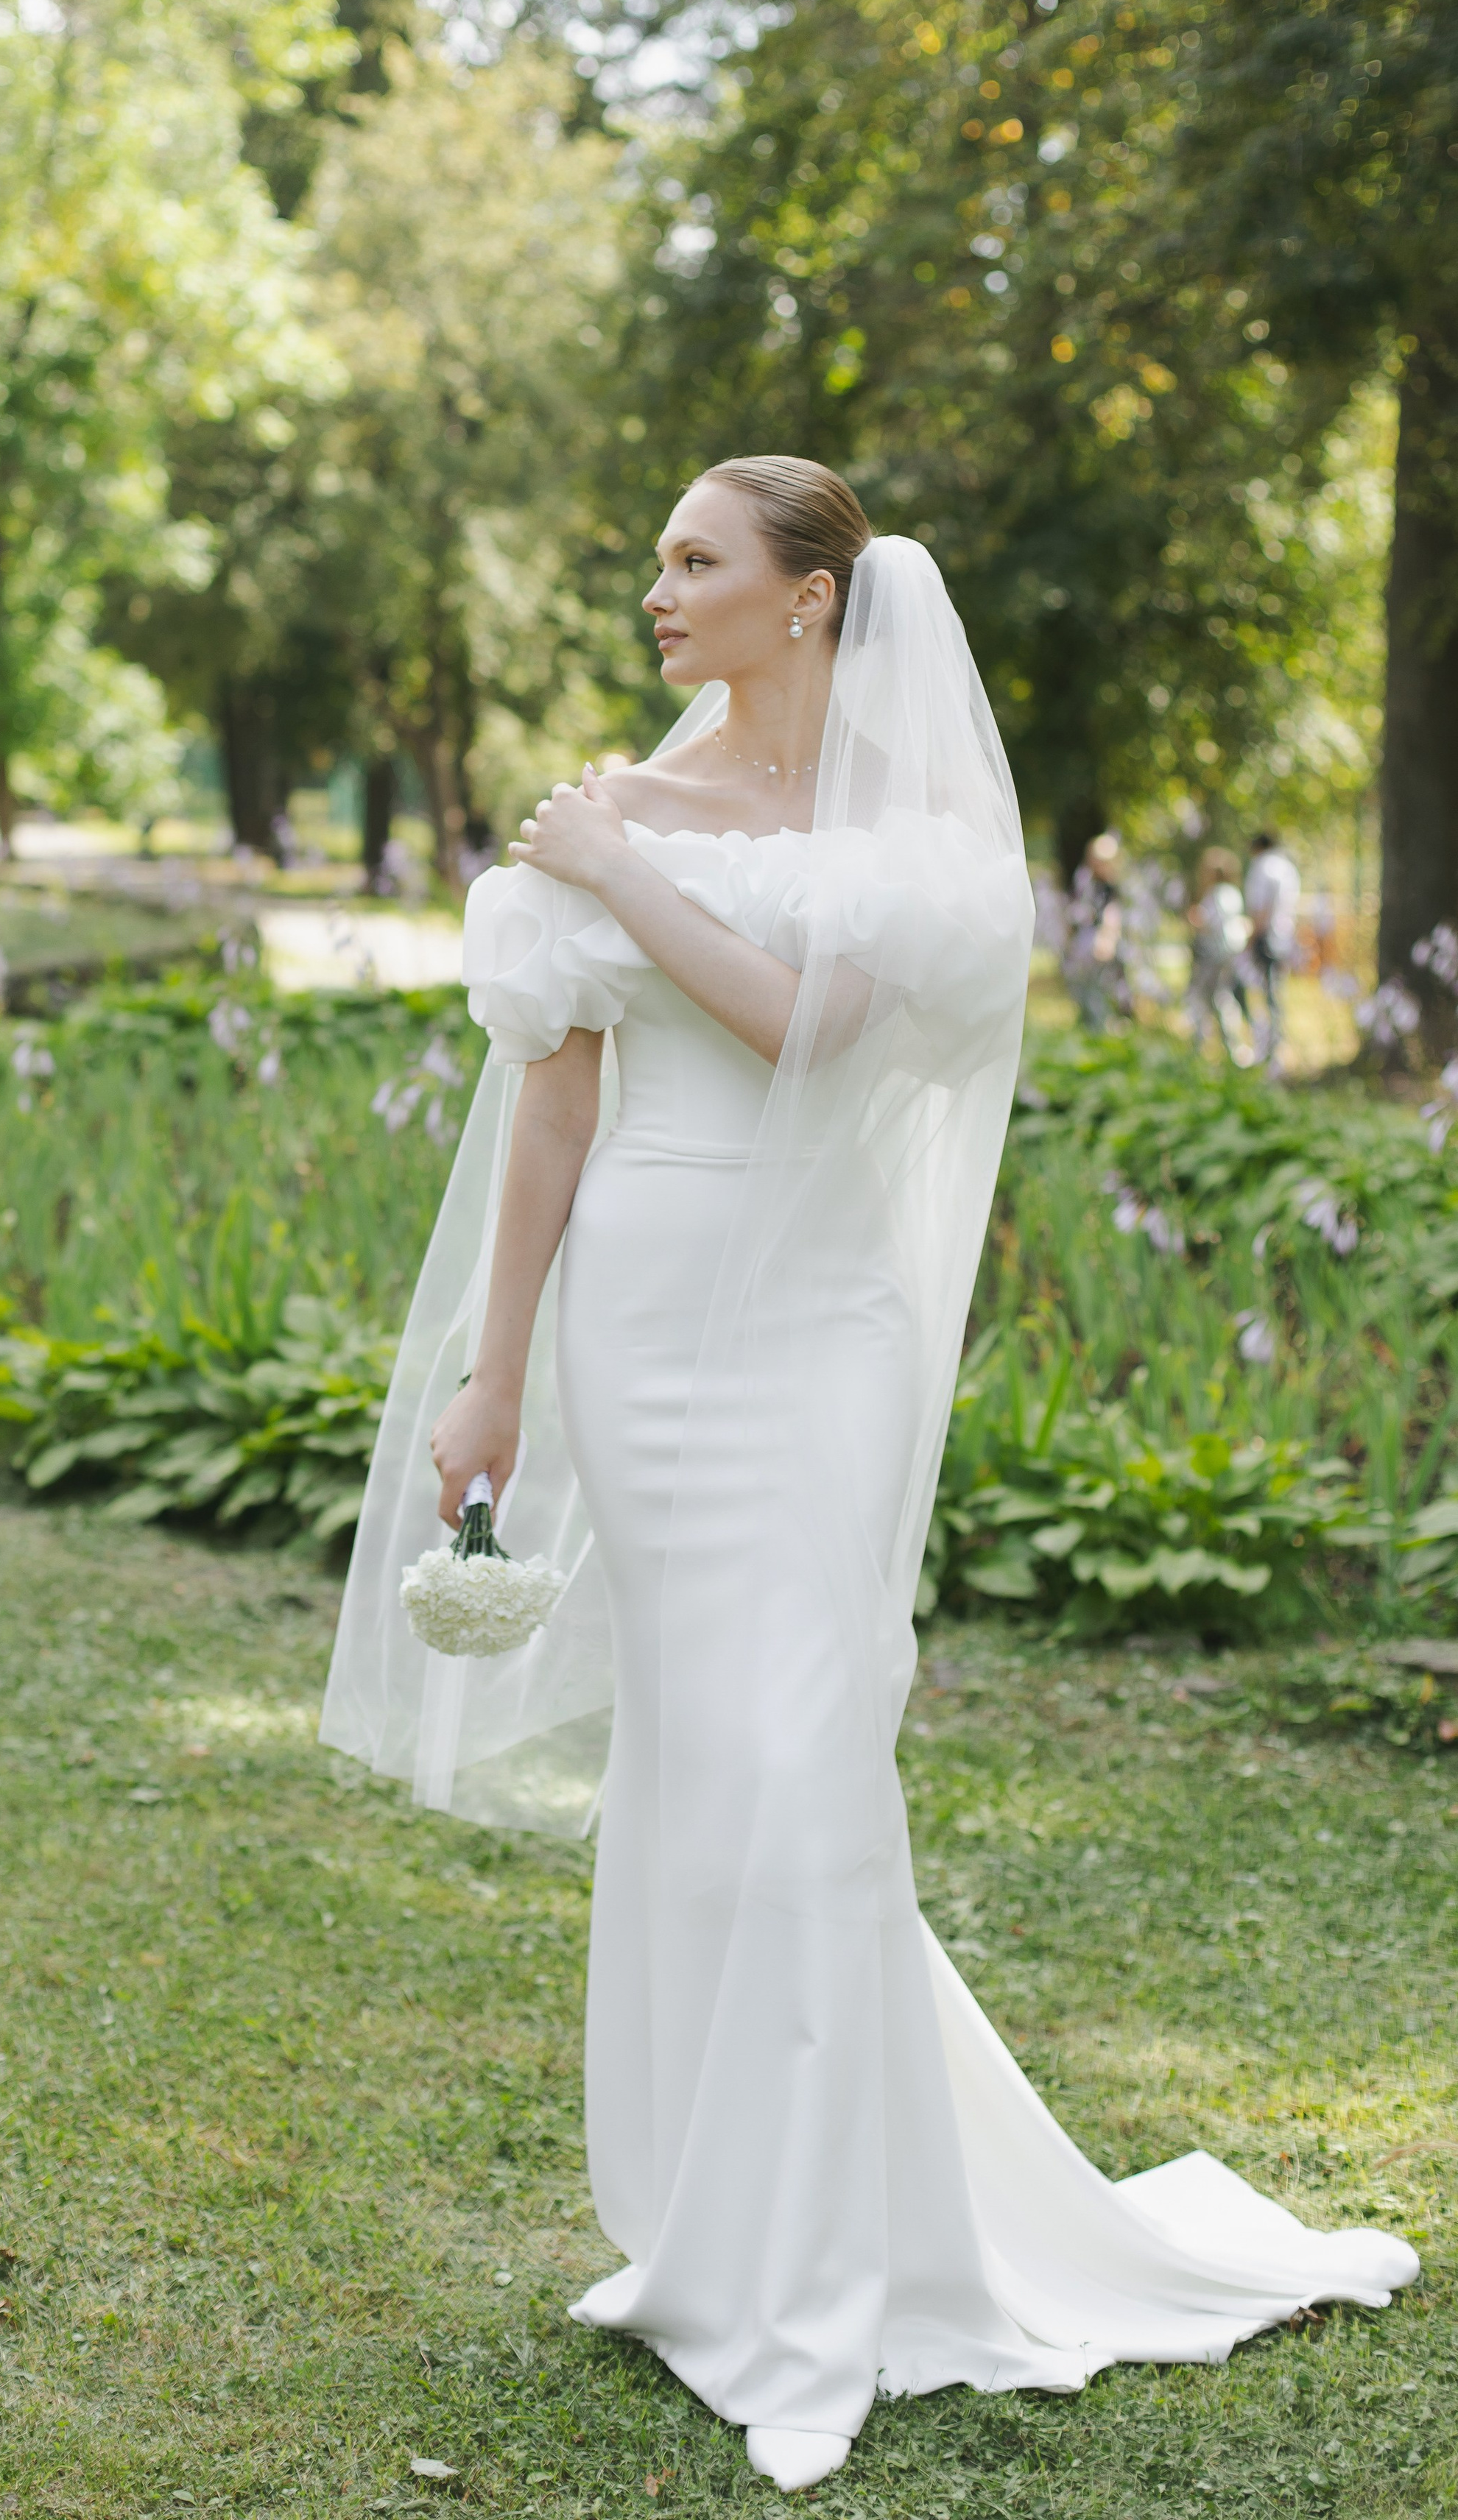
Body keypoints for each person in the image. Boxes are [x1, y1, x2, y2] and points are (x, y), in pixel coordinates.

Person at [320, 458, 1416, 2491]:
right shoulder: (601, 812)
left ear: (810, 599)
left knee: (809, 1767)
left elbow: (817, 1044)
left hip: (816, 1335)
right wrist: (496, 1386)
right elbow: (552, 1118)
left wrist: (635, 875)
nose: (658, 591)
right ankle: (718, 2247)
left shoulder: (913, 848)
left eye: (695, 561)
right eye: (655, 556)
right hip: (640, 1322)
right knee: (703, 1779)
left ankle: (824, 2314)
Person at [1185, 845, 1253, 1063]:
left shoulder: (1216, 894)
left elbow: (1210, 923)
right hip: (1228, 955)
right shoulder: (1233, 893)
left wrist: (1195, 919)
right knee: (1221, 998)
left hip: (1213, 956)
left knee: (1206, 998)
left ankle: (1208, 1045)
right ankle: (1232, 1047)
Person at [1243, 827, 1301, 1068]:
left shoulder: (1262, 867)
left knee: (1258, 993)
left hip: (1266, 938)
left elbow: (1261, 908)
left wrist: (1251, 938)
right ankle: (1274, 1047)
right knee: (1275, 992)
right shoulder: (1287, 867)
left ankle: (1267, 1048)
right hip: (1284, 938)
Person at [1062, 829, 1130, 1028]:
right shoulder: (1086, 882)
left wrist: (1107, 938)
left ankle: (1103, 1025)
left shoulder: (1110, 887)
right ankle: (1090, 1023)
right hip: (1084, 941)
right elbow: (1075, 910)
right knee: (1082, 984)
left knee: (1102, 986)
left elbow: (1112, 914)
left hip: (1100, 940)